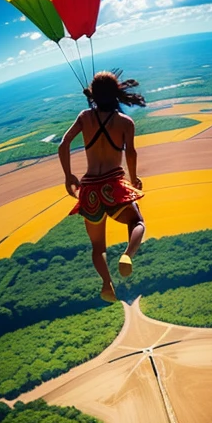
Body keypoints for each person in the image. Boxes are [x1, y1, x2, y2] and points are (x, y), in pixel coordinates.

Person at [58, 70, 146, 302]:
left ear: (94, 95)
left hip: (89, 192)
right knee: (137, 222)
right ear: (116, 93)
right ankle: (128, 254)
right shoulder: (126, 122)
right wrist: (134, 180)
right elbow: (131, 153)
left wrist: (69, 176)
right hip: (113, 186)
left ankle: (107, 284)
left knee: (98, 245)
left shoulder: (84, 117)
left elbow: (63, 144)